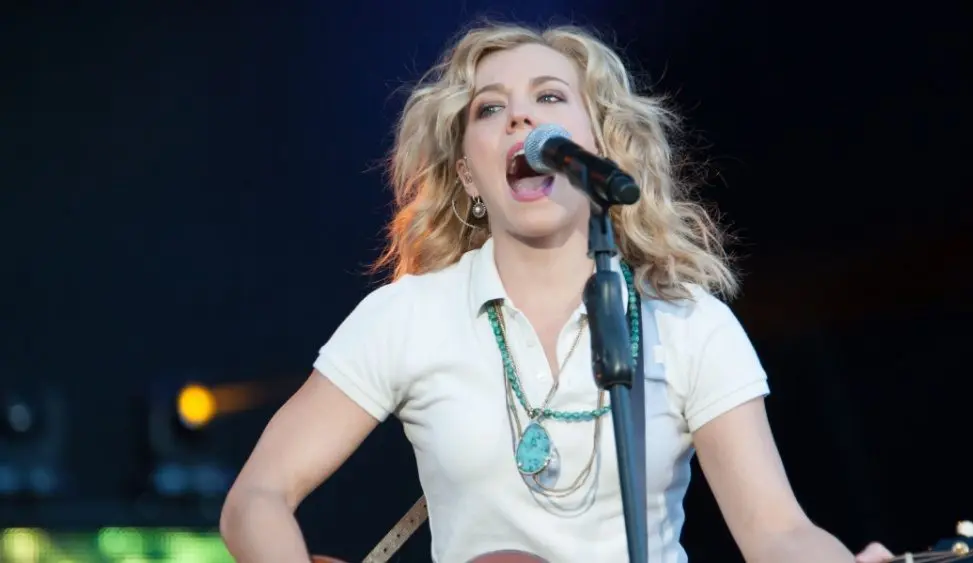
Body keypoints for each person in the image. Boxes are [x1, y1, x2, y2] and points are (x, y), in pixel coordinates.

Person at [219, 21, 895, 563]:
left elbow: (777, 532)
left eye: (548, 98)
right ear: (470, 177)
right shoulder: (409, 316)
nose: (520, 120)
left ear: (600, 147)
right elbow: (257, 495)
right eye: (491, 108)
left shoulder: (689, 324)